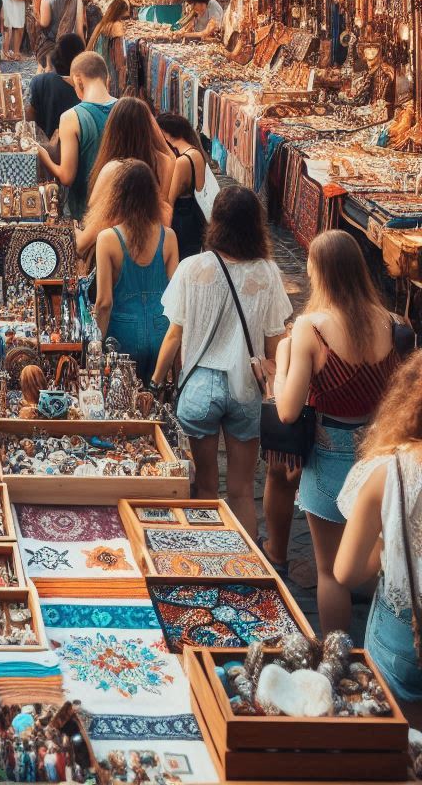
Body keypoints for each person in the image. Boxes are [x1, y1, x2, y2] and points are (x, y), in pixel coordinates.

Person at [272, 230, 400, 633]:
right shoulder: (393, 324)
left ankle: (337, 662)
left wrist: (278, 369)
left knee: (329, 572)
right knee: (370, 559)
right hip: (374, 457)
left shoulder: (313, 328)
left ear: (320, 273)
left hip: (327, 458)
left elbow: (289, 411)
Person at [151, 186, 292, 538]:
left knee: (206, 487)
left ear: (216, 222)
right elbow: (276, 343)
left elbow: (173, 335)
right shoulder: (268, 273)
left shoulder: (191, 268)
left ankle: (206, 561)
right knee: (243, 490)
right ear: (255, 226)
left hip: (198, 386)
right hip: (245, 386)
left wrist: (155, 383)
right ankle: (247, 565)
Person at [336, 351, 422, 708]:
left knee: (396, 737)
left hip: (405, 630)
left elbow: (347, 571)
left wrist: (390, 544)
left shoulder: (391, 471)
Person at [93, 160, 178, 383]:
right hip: (160, 331)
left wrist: (94, 345)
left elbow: (104, 302)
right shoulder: (168, 237)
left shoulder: (108, 239)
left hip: (122, 334)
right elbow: (176, 298)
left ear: (118, 195)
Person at [77, 98, 175, 257]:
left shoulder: (113, 168)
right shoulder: (164, 163)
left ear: (113, 130)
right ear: (148, 127)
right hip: (152, 251)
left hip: (118, 253)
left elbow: (95, 213)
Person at [37, 51, 117, 221]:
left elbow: (66, 177)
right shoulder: (127, 108)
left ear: (78, 79)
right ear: (106, 78)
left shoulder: (71, 117)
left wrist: (43, 155)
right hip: (123, 209)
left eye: (74, 85)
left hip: (87, 212)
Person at [157, 112, 207, 260]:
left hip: (182, 220)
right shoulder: (196, 152)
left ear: (165, 133)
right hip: (196, 216)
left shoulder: (182, 161)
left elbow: (170, 200)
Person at [26, 34, 84, 140]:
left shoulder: (39, 81)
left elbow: (29, 119)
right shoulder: (85, 88)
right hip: (76, 151)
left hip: (43, 151)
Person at [37, 0, 83, 71]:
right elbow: (79, 30)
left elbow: (45, 22)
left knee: (47, 71)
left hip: (50, 45)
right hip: (69, 45)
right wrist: (83, 50)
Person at [86, 0, 129, 96]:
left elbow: (89, 46)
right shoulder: (117, 26)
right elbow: (120, 53)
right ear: (121, 11)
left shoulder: (101, 25)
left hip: (99, 65)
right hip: (110, 68)